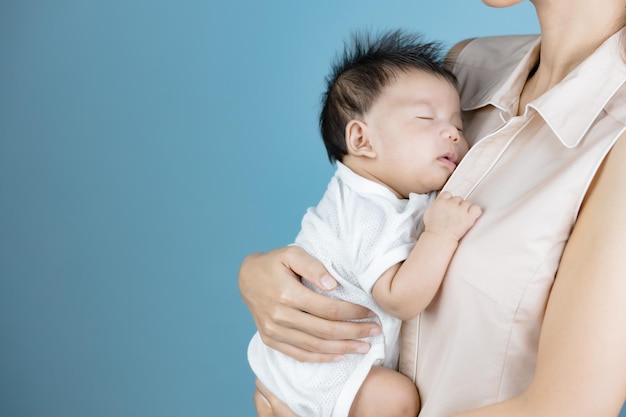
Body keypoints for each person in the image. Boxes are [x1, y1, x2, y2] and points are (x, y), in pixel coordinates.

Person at [239, 0, 626, 416]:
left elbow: (567, 409)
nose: (450, 135)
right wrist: (260, 276)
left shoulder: (615, 134)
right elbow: (361, 227)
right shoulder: (465, 70)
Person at [247, 29, 481, 417]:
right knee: (395, 399)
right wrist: (441, 235)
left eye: (458, 123)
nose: (454, 133)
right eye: (427, 118)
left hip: (305, 359)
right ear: (362, 139)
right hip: (318, 364)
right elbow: (399, 297)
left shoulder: (381, 194)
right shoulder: (368, 211)